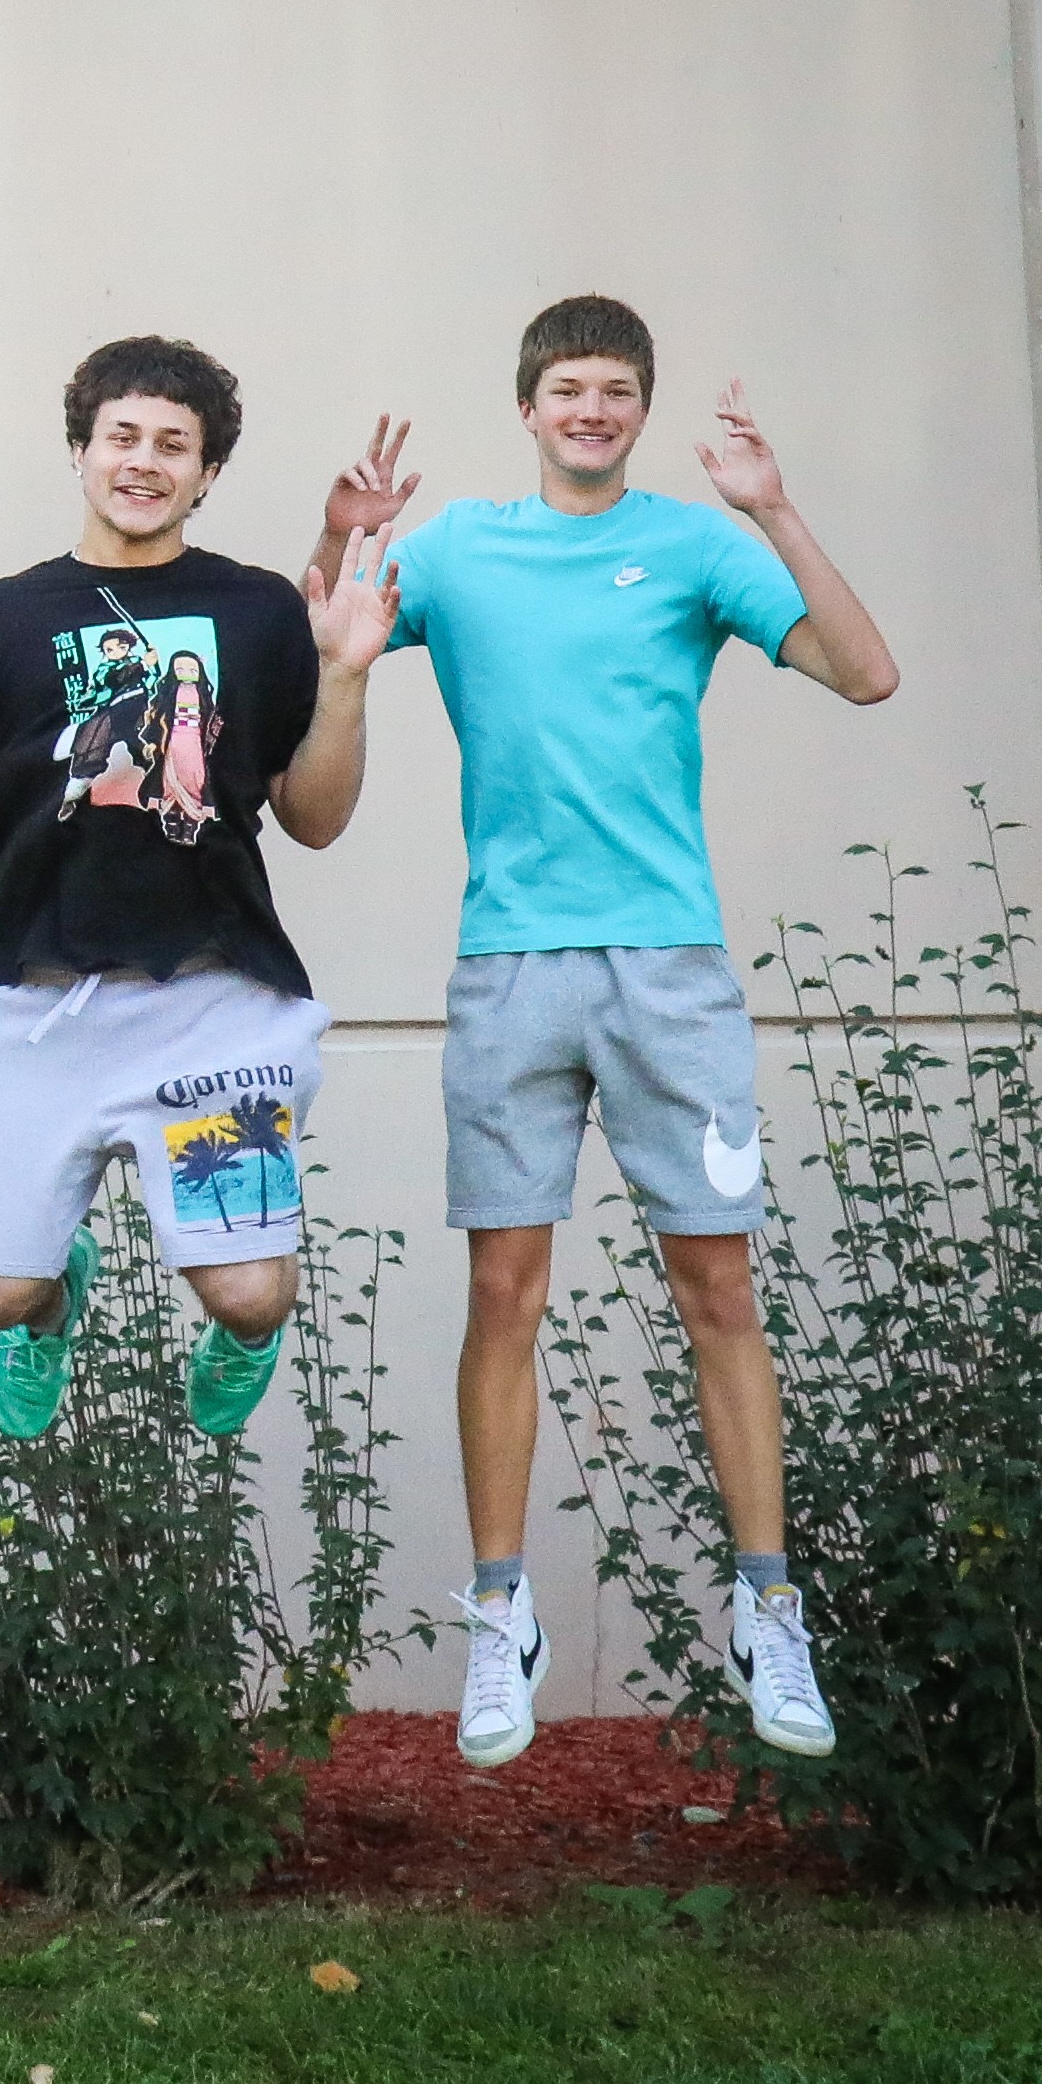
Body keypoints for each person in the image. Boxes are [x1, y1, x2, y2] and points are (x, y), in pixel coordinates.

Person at [307, 303, 898, 1772]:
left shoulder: (698, 547)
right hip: (509, 964)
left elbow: (863, 670)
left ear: (639, 411)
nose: (590, 408)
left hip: (666, 968)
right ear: (526, 406)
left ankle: (770, 1608)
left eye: (614, 391)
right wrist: (334, 539)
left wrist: (773, 507)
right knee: (503, 1290)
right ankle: (498, 1614)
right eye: (566, 388)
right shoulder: (452, 548)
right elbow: (316, 655)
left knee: (717, 1289)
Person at [0, 337, 399, 1448]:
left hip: (211, 996)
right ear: (79, 450)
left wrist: (344, 675)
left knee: (253, 1290)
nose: (143, 462)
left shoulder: (252, 607)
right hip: (36, 994)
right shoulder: (5, 616)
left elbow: (315, 814)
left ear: (206, 472)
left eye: (174, 444)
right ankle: (54, 1298)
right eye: (122, 437)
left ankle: (244, 1336)